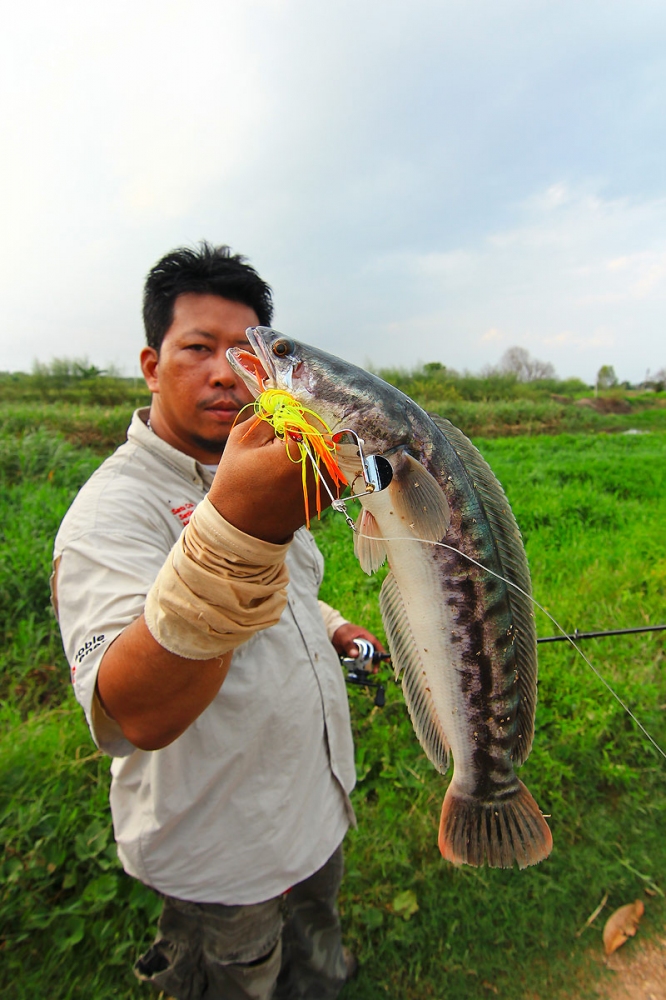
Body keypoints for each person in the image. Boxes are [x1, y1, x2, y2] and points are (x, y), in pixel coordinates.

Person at [52, 243, 384, 1000]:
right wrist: (238, 530)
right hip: (220, 852)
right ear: (150, 362)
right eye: (197, 348)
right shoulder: (112, 512)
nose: (224, 373)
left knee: (319, 952)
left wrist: (333, 627)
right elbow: (133, 710)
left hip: (315, 804)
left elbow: (293, 591)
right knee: (239, 977)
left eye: (244, 354)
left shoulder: (267, 459)